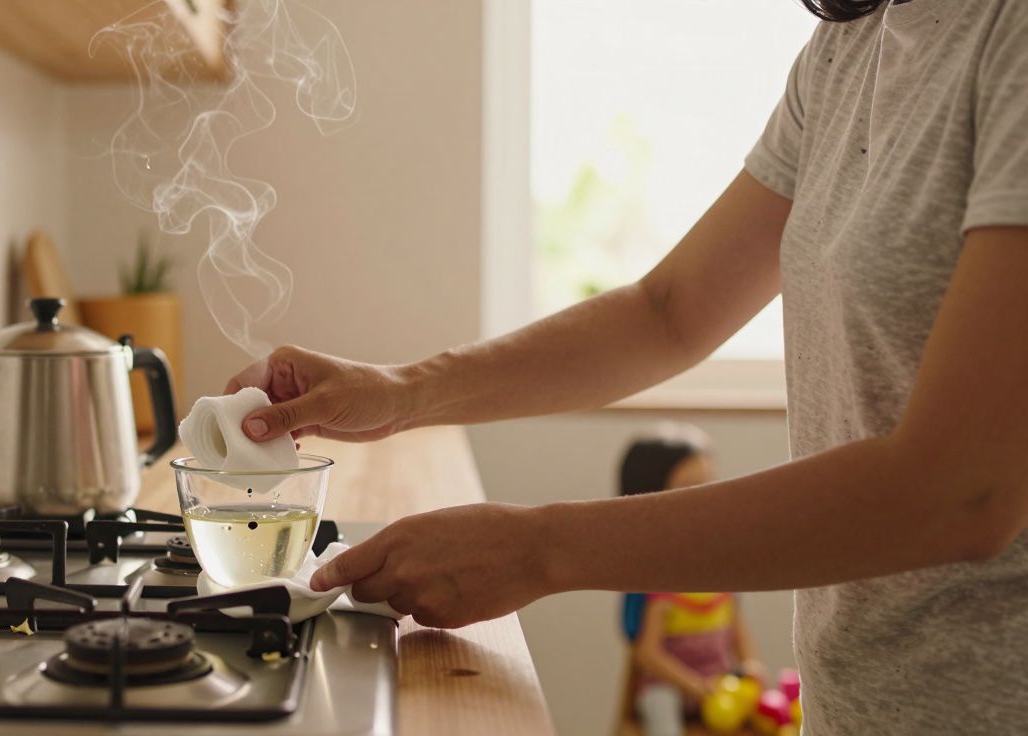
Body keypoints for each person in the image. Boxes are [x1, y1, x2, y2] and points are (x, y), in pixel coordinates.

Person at [225, 0, 1028, 732]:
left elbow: (962, 490)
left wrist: (540, 548)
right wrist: (401, 391)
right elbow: (669, 311)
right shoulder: (847, 47)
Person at [615, 428, 764, 736]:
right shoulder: (658, 586)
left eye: (709, 488)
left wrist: (752, 666)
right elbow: (647, 654)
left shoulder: (720, 578)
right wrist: (695, 687)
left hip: (720, 687)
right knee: (661, 711)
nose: (703, 504)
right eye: (687, 491)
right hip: (672, 690)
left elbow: (737, 632)